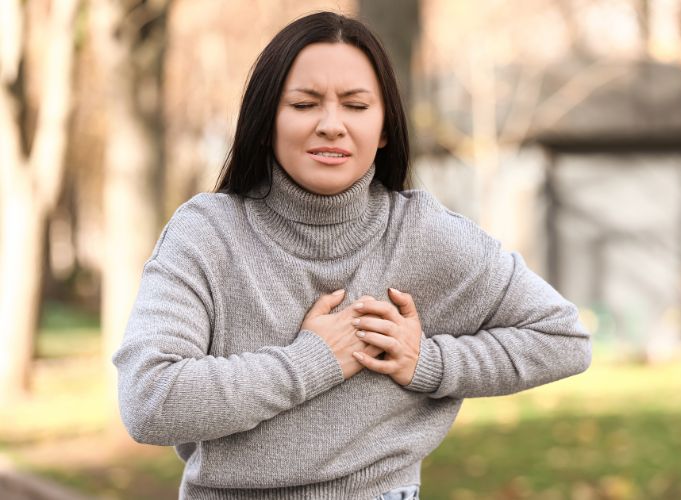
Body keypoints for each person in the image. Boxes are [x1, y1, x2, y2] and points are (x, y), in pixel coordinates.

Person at [112, 11, 591, 500]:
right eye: (304, 104)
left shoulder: (424, 234)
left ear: (384, 128)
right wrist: (312, 361)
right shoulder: (207, 234)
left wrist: (427, 361)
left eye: (356, 106)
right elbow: (149, 400)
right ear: (265, 122)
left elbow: (562, 338)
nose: (331, 126)